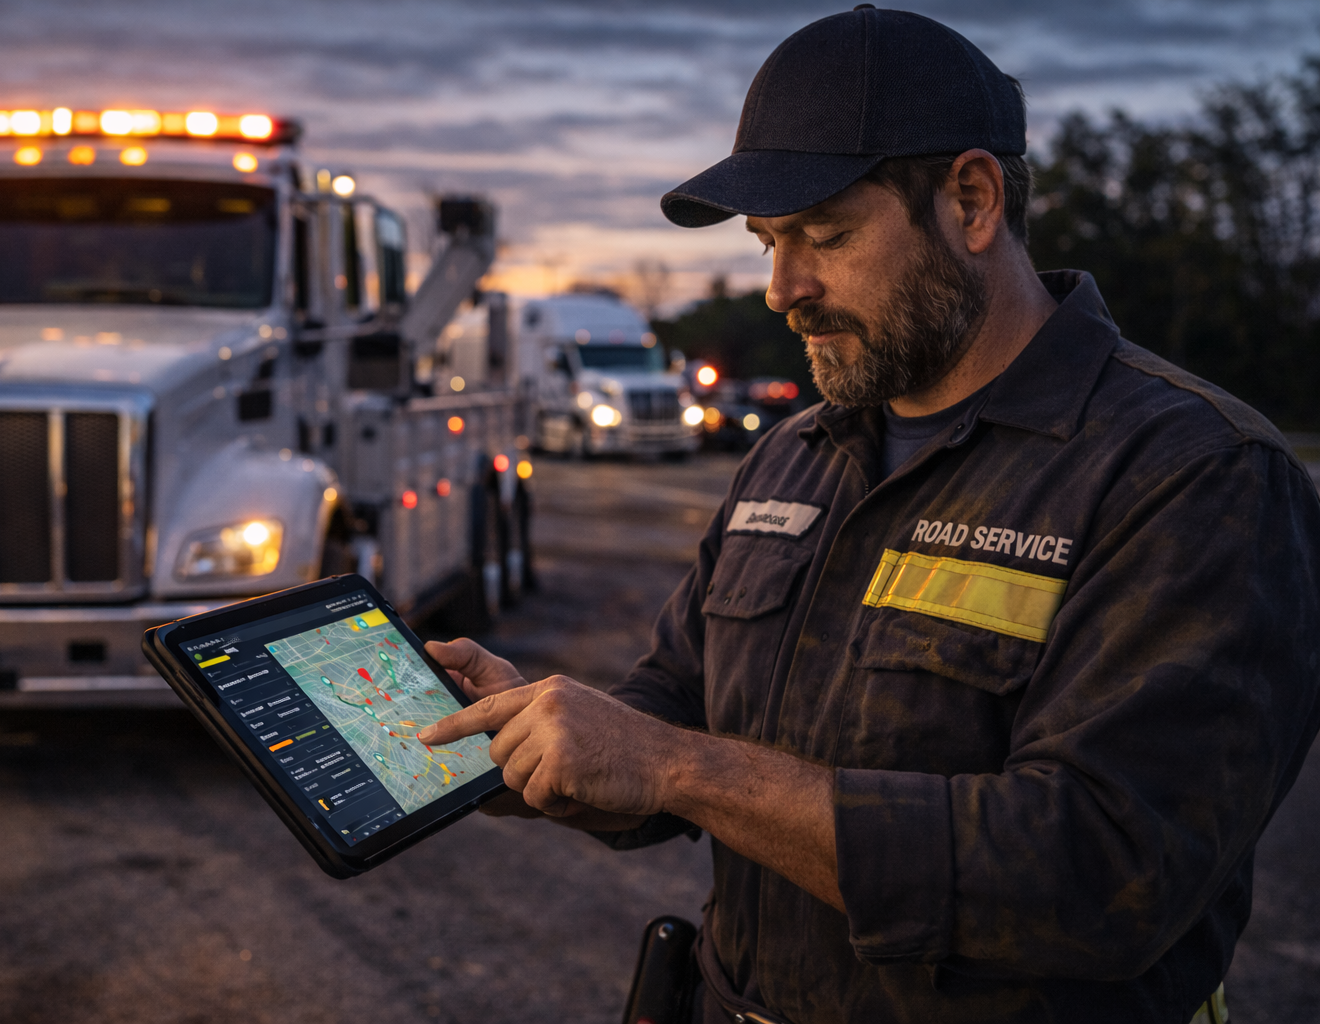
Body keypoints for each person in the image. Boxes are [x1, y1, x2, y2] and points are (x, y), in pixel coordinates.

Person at [418, 7, 1320, 1022]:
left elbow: (1102, 871)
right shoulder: (790, 459)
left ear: (972, 202)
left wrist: (679, 767)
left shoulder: (1191, 473)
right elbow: (670, 712)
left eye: (825, 235)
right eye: (768, 243)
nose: (779, 290)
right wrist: (525, 740)